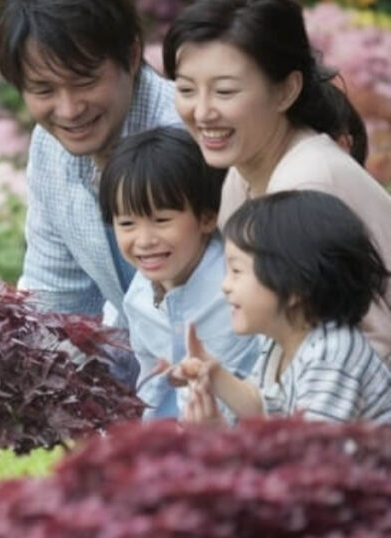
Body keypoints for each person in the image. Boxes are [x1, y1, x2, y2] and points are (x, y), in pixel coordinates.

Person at [162, 0, 391, 359]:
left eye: (225, 91)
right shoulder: (242, 176)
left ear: (286, 90)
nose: (202, 112)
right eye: (187, 89)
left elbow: (375, 347)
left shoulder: (309, 184)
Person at [0, 0, 181, 327]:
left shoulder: (190, 138)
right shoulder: (50, 146)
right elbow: (55, 297)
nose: (68, 110)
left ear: (133, 56)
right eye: (43, 89)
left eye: (84, 82)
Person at [177, 191, 391, 424]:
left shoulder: (331, 356)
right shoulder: (280, 342)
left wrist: (219, 436)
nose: (225, 286)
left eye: (236, 271)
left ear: (295, 287)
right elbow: (260, 406)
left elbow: (311, 453)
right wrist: (213, 374)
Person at [98, 126, 258, 420]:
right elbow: (150, 384)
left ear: (207, 218)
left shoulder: (236, 288)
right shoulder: (138, 296)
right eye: (127, 224)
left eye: (161, 220)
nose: (144, 240)